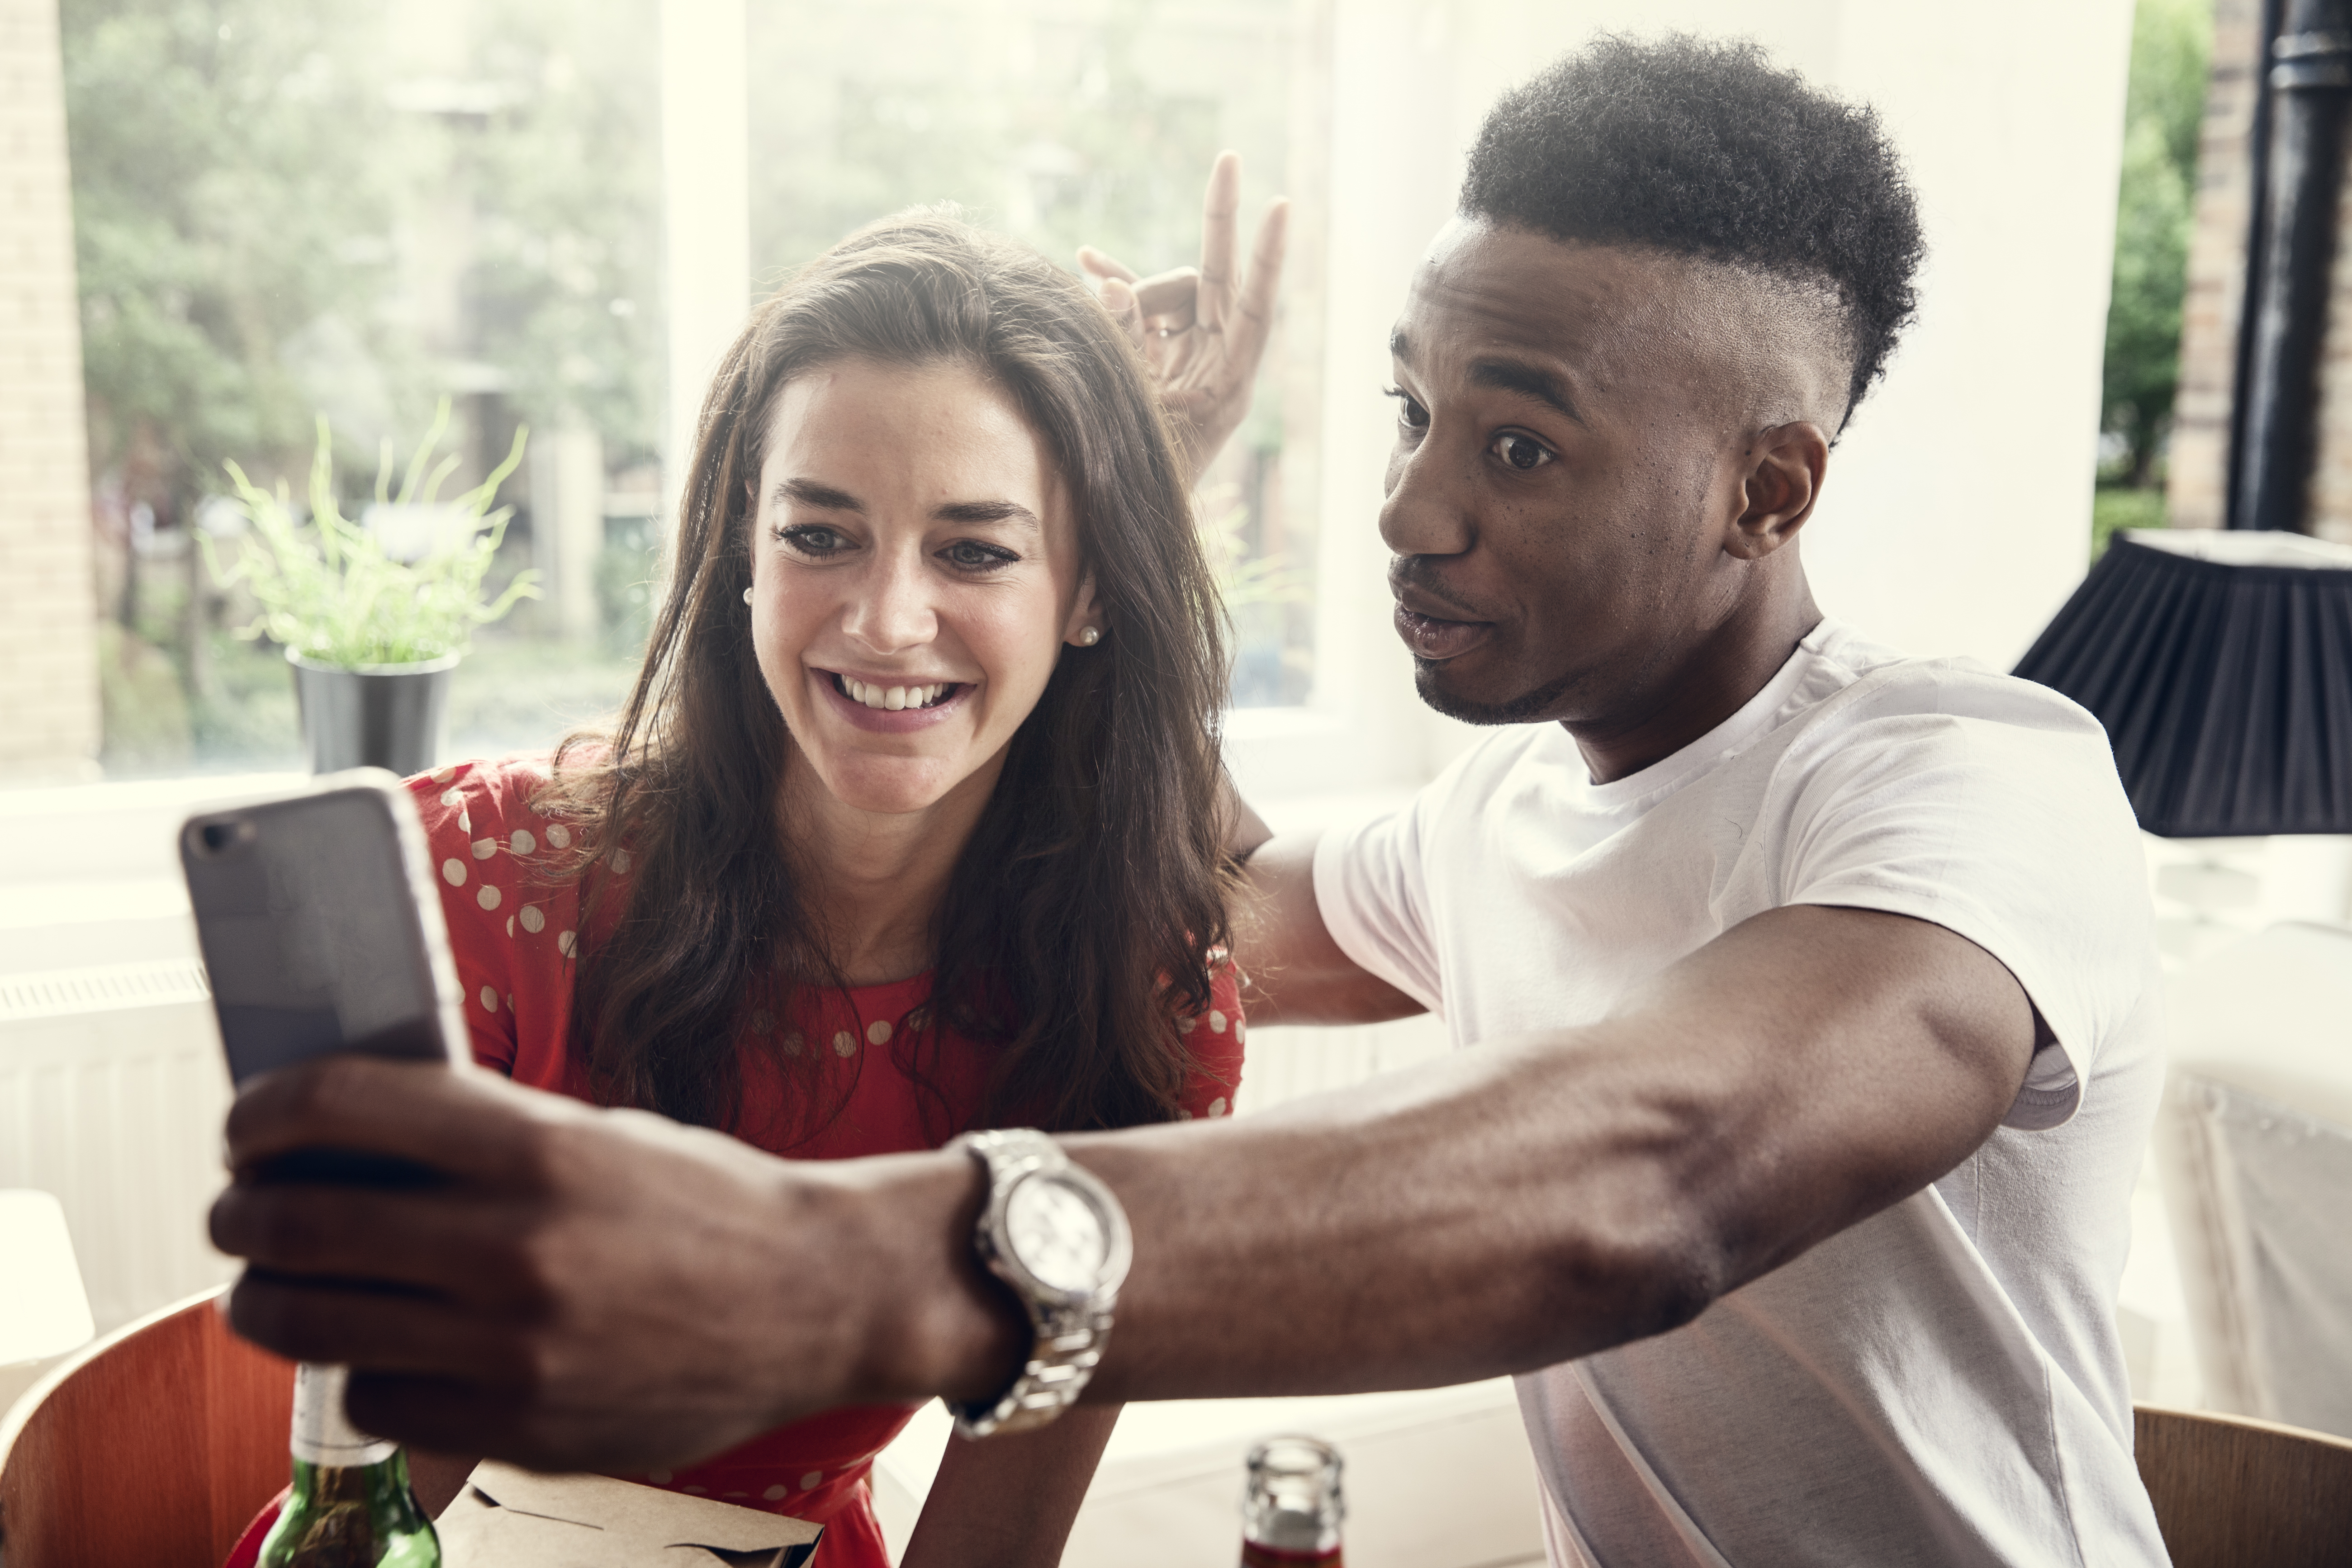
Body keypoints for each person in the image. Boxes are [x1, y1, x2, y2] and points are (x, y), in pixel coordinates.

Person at [211, 36, 2171, 1566]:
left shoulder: (1969, 781)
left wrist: (835, 1268)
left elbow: (1661, 1174)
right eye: (1410, 413)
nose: (1407, 507)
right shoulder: (1490, 828)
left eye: (1515, 445)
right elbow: (1158, 876)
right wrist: (1121, 512)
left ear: (1768, 488)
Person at [229, 209, 1285, 1567]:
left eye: (975, 551)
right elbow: (381, 1497)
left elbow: (998, 1538)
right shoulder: (484, 888)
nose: (887, 620)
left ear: (1089, 594)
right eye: (820, 534)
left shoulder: (1144, 1008)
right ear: (743, 549)